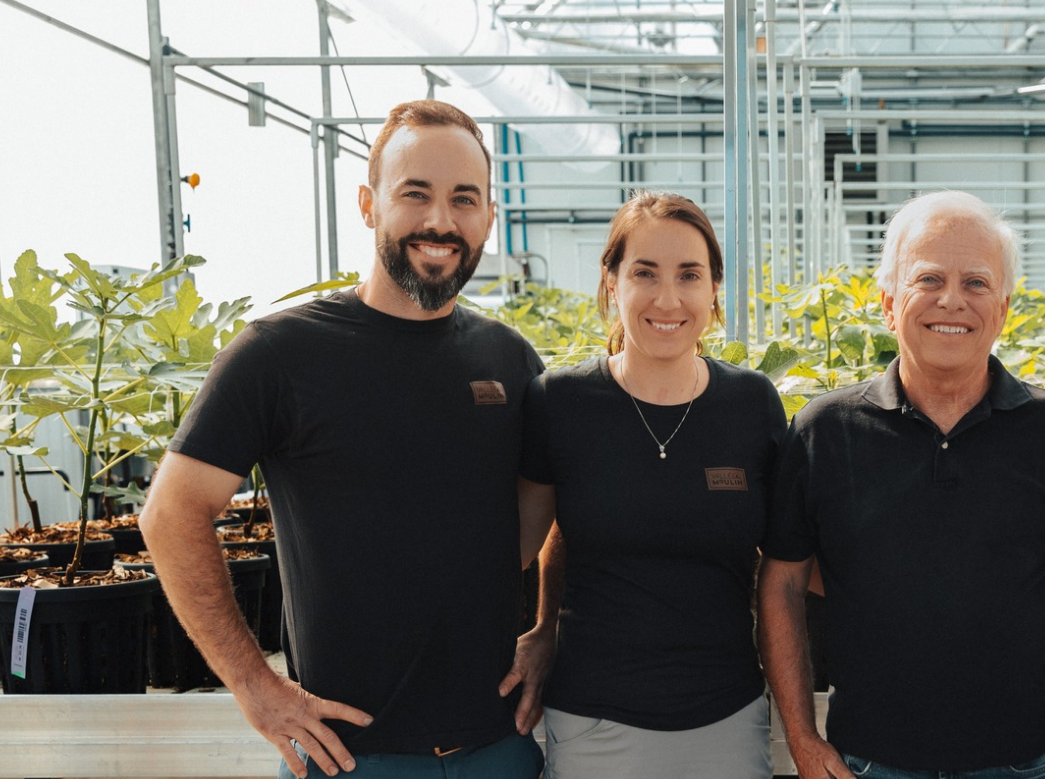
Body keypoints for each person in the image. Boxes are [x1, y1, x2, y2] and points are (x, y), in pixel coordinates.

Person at [141, 100, 546, 779]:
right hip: (351, 758)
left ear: (488, 220)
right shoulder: (279, 355)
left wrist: (547, 631)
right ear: (368, 204)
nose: (440, 221)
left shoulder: (509, 360)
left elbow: (556, 504)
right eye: (414, 194)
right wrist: (253, 686)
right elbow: (170, 514)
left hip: (498, 748)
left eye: (463, 199)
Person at [759, 190, 1045, 779]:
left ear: (1005, 308)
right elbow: (782, 583)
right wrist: (803, 740)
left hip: (1023, 760)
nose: (952, 300)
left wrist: (1036, 667)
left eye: (977, 283)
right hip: (869, 760)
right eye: (928, 278)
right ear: (888, 304)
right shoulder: (825, 432)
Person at [502, 192, 784, 778]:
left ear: (714, 289)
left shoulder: (751, 405)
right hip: (593, 722)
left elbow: (787, 562)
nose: (668, 299)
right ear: (611, 282)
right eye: (644, 274)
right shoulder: (561, 402)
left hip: (726, 716)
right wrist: (542, 626)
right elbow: (538, 536)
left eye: (689, 275)